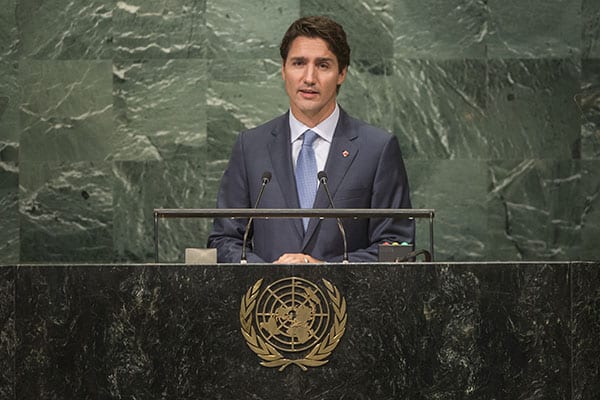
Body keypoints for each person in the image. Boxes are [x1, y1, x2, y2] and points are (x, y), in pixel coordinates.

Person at [208, 15, 414, 263]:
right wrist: (268, 274)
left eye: (323, 65)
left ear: (342, 73)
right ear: (283, 70)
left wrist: (325, 269)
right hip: (267, 299)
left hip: (349, 300)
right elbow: (224, 241)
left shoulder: (377, 149)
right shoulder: (250, 146)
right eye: (298, 63)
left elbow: (397, 247)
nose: (309, 78)